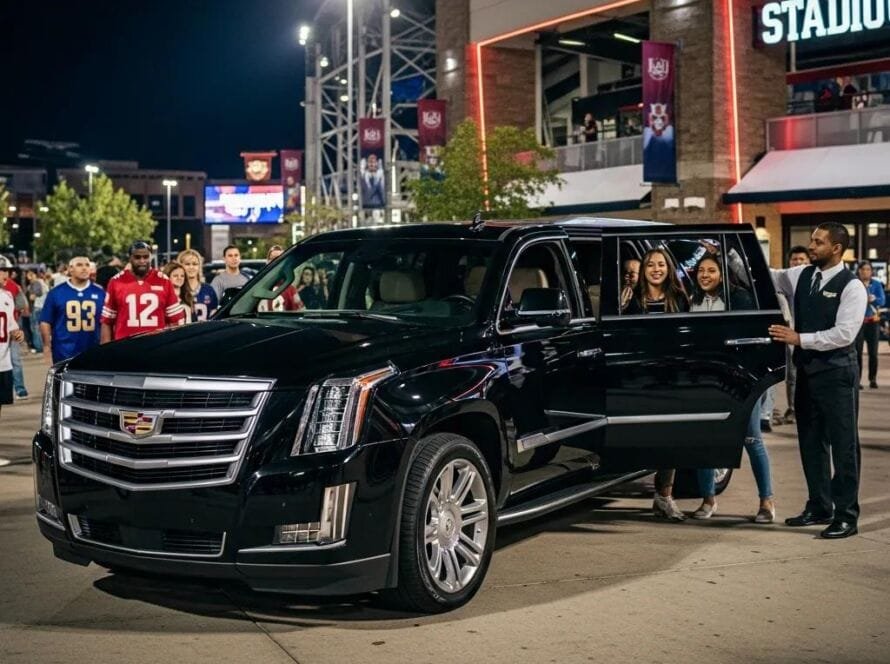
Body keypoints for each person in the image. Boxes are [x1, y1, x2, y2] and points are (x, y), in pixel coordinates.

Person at [769, 223, 867, 539]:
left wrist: (800, 338)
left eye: (818, 242)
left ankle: (846, 516)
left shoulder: (852, 287)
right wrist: (728, 252)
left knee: (844, 445)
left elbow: (844, 334)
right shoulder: (801, 276)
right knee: (811, 442)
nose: (811, 246)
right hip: (807, 373)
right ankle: (819, 506)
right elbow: (768, 275)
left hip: (837, 374)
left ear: (836, 248)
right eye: (812, 240)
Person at [688, 254, 775, 522]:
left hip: (740, 381)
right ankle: (708, 499)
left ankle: (767, 502)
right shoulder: (694, 302)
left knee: (751, 440)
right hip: (708, 380)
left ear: (723, 274)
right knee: (706, 441)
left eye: (712, 270)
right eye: (701, 270)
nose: (705, 275)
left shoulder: (739, 300)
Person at [100, 241, 186, 342]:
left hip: (155, 346)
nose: (142, 261)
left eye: (146, 257)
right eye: (137, 257)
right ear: (130, 258)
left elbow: (175, 319)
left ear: (151, 257)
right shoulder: (116, 281)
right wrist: (105, 351)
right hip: (124, 347)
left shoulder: (163, 280)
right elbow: (107, 321)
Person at [39, 256, 105, 364]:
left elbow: (106, 323)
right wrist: (47, 346)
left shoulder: (100, 292)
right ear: (70, 269)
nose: (84, 268)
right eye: (79, 265)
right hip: (64, 352)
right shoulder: (56, 293)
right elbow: (45, 321)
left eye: (87, 265)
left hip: (93, 351)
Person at [780, 246, 811, 424]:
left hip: (811, 337)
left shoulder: (814, 282)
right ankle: (792, 408)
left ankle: (807, 409)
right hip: (790, 335)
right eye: (794, 259)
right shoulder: (784, 283)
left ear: (808, 261)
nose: (798, 262)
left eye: (801, 259)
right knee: (791, 375)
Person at [622, 248, 689, 314]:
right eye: (650, 265)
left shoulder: (680, 298)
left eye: (661, 265)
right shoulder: (632, 299)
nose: (656, 269)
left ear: (668, 268)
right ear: (643, 270)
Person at [855, 260, 884, 389]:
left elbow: (882, 300)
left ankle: (872, 379)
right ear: (858, 271)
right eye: (862, 269)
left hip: (873, 322)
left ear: (871, 271)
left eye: (868, 269)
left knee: (873, 353)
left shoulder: (876, 284)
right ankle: (858, 380)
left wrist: (874, 299)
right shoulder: (855, 283)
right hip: (859, 322)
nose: (865, 272)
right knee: (857, 352)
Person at [1, 259, 28, 399]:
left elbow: (22, 305)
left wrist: (17, 330)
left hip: (9, 332)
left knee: (15, 360)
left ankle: (19, 388)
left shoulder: (11, 290)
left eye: (5, 270)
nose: (4, 273)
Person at [177, 249, 218, 321]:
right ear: (180, 266)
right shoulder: (176, 290)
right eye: (187, 264)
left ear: (199, 266)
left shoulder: (209, 290)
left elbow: (214, 318)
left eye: (195, 264)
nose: (191, 267)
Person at [26, 270, 47, 354]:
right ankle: (40, 346)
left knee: (35, 328)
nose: (28, 277)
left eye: (30, 275)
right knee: (37, 328)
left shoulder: (36, 283)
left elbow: (32, 297)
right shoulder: (39, 283)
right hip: (39, 307)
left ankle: (39, 347)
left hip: (37, 308)